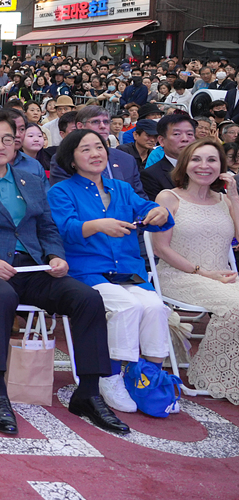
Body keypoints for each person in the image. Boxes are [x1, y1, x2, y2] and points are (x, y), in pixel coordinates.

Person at [0, 110, 129, 435]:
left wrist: (55, 255)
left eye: (7, 139)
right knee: (1, 296)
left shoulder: (31, 180)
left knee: (87, 299)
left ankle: (87, 391)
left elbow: (47, 226)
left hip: (32, 266)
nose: (0, 145)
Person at [48, 129, 175, 415]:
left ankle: (147, 377)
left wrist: (161, 213)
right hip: (87, 272)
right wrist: (98, 225)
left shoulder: (123, 189)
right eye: (85, 149)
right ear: (71, 159)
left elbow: (152, 215)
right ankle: (110, 376)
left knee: (155, 307)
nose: (95, 154)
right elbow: (63, 229)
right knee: (126, 306)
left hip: (128, 272)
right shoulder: (61, 191)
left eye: (99, 147)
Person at [151, 138, 239, 403]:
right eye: (197, 159)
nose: (204, 166)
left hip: (221, 278)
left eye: (212, 160)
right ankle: (216, 375)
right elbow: (160, 248)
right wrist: (201, 272)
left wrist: (234, 195)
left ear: (221, 167)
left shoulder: (225, 200)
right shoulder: (169, 197)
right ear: (185, 164)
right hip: (179, 276)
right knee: (235, 306)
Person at [49, 106, 146, 197]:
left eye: (106, 122)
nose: (103, 126)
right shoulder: (65, 158)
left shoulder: (126, 159)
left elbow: (139, 199)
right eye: (95, 122)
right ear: (80, 126)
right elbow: (65, 198)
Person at [141, 112, 197, 197]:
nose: (185, 139)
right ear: (162, 140)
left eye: (189, 134)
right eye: (177, 134)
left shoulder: (205, 168)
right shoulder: (151, 175)